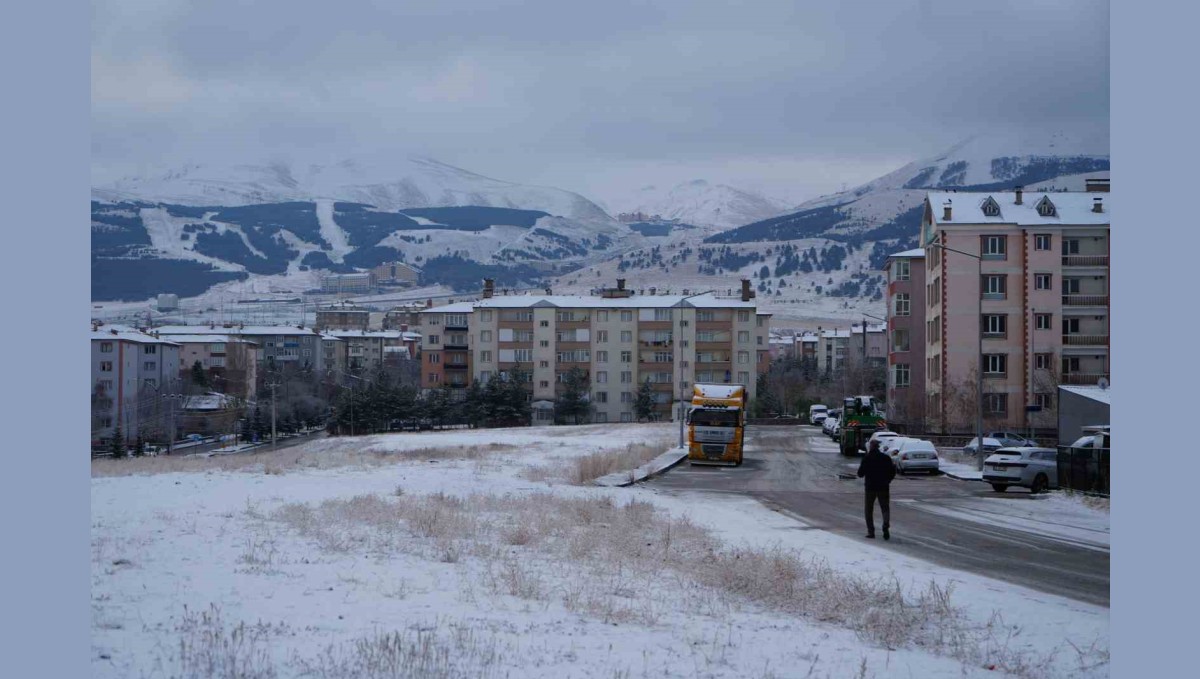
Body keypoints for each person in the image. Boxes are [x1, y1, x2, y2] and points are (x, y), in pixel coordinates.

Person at [857, 438, 896, 540]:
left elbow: (860, 474)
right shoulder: (885, 458)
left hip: (870, 487)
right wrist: (888, 480)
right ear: (878, 447)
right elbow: (893, 471)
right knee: (885, 508)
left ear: (871, 447)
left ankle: (871, 532)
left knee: (868, 510)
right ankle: (885, 525)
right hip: (883, 487)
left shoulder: (867, 458)